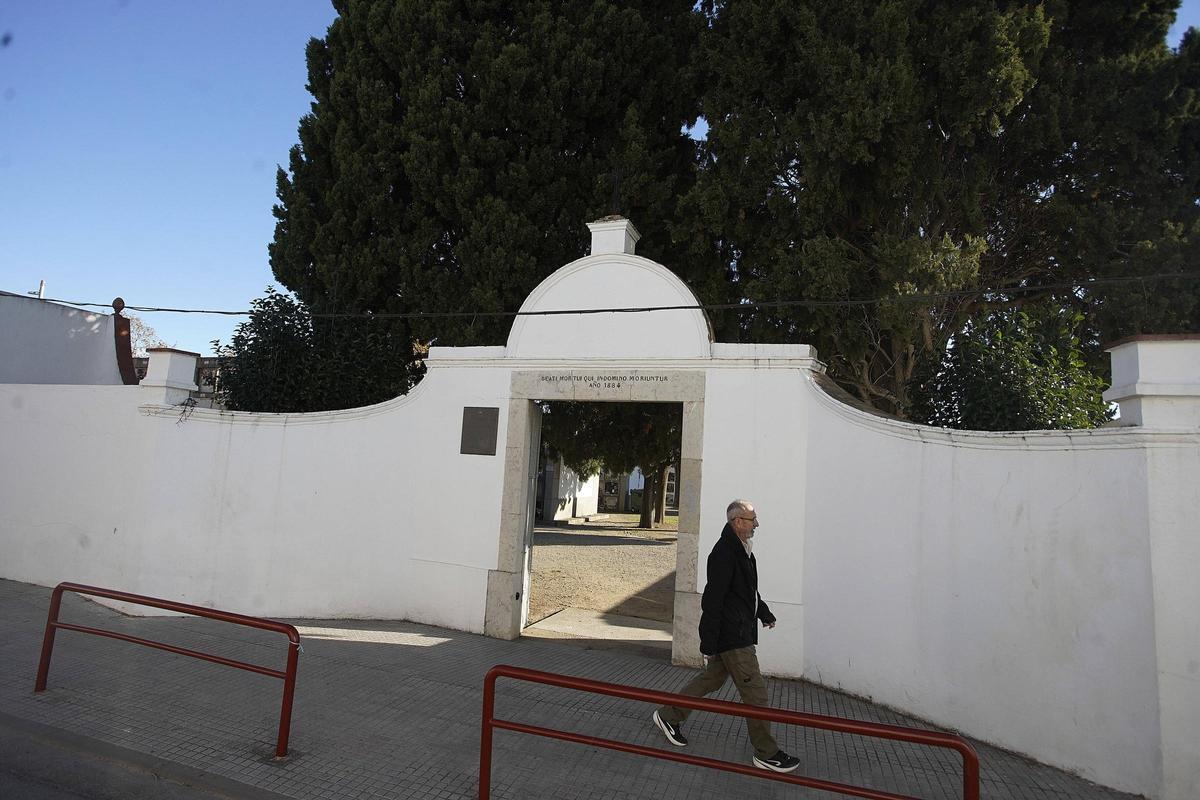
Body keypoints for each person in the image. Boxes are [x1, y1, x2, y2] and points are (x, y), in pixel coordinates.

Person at [652, 499, 801, 773]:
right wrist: (707, 642)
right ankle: (766, 753)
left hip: (738, 630)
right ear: (737, 522)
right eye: (751, 519)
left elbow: (747, 592)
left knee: (712, 679)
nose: (756, 524)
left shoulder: (743, 550)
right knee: (755, 693)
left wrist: (763, 612)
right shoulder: (724, 553)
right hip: (734, 638)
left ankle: (668, 715)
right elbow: (713, 599)